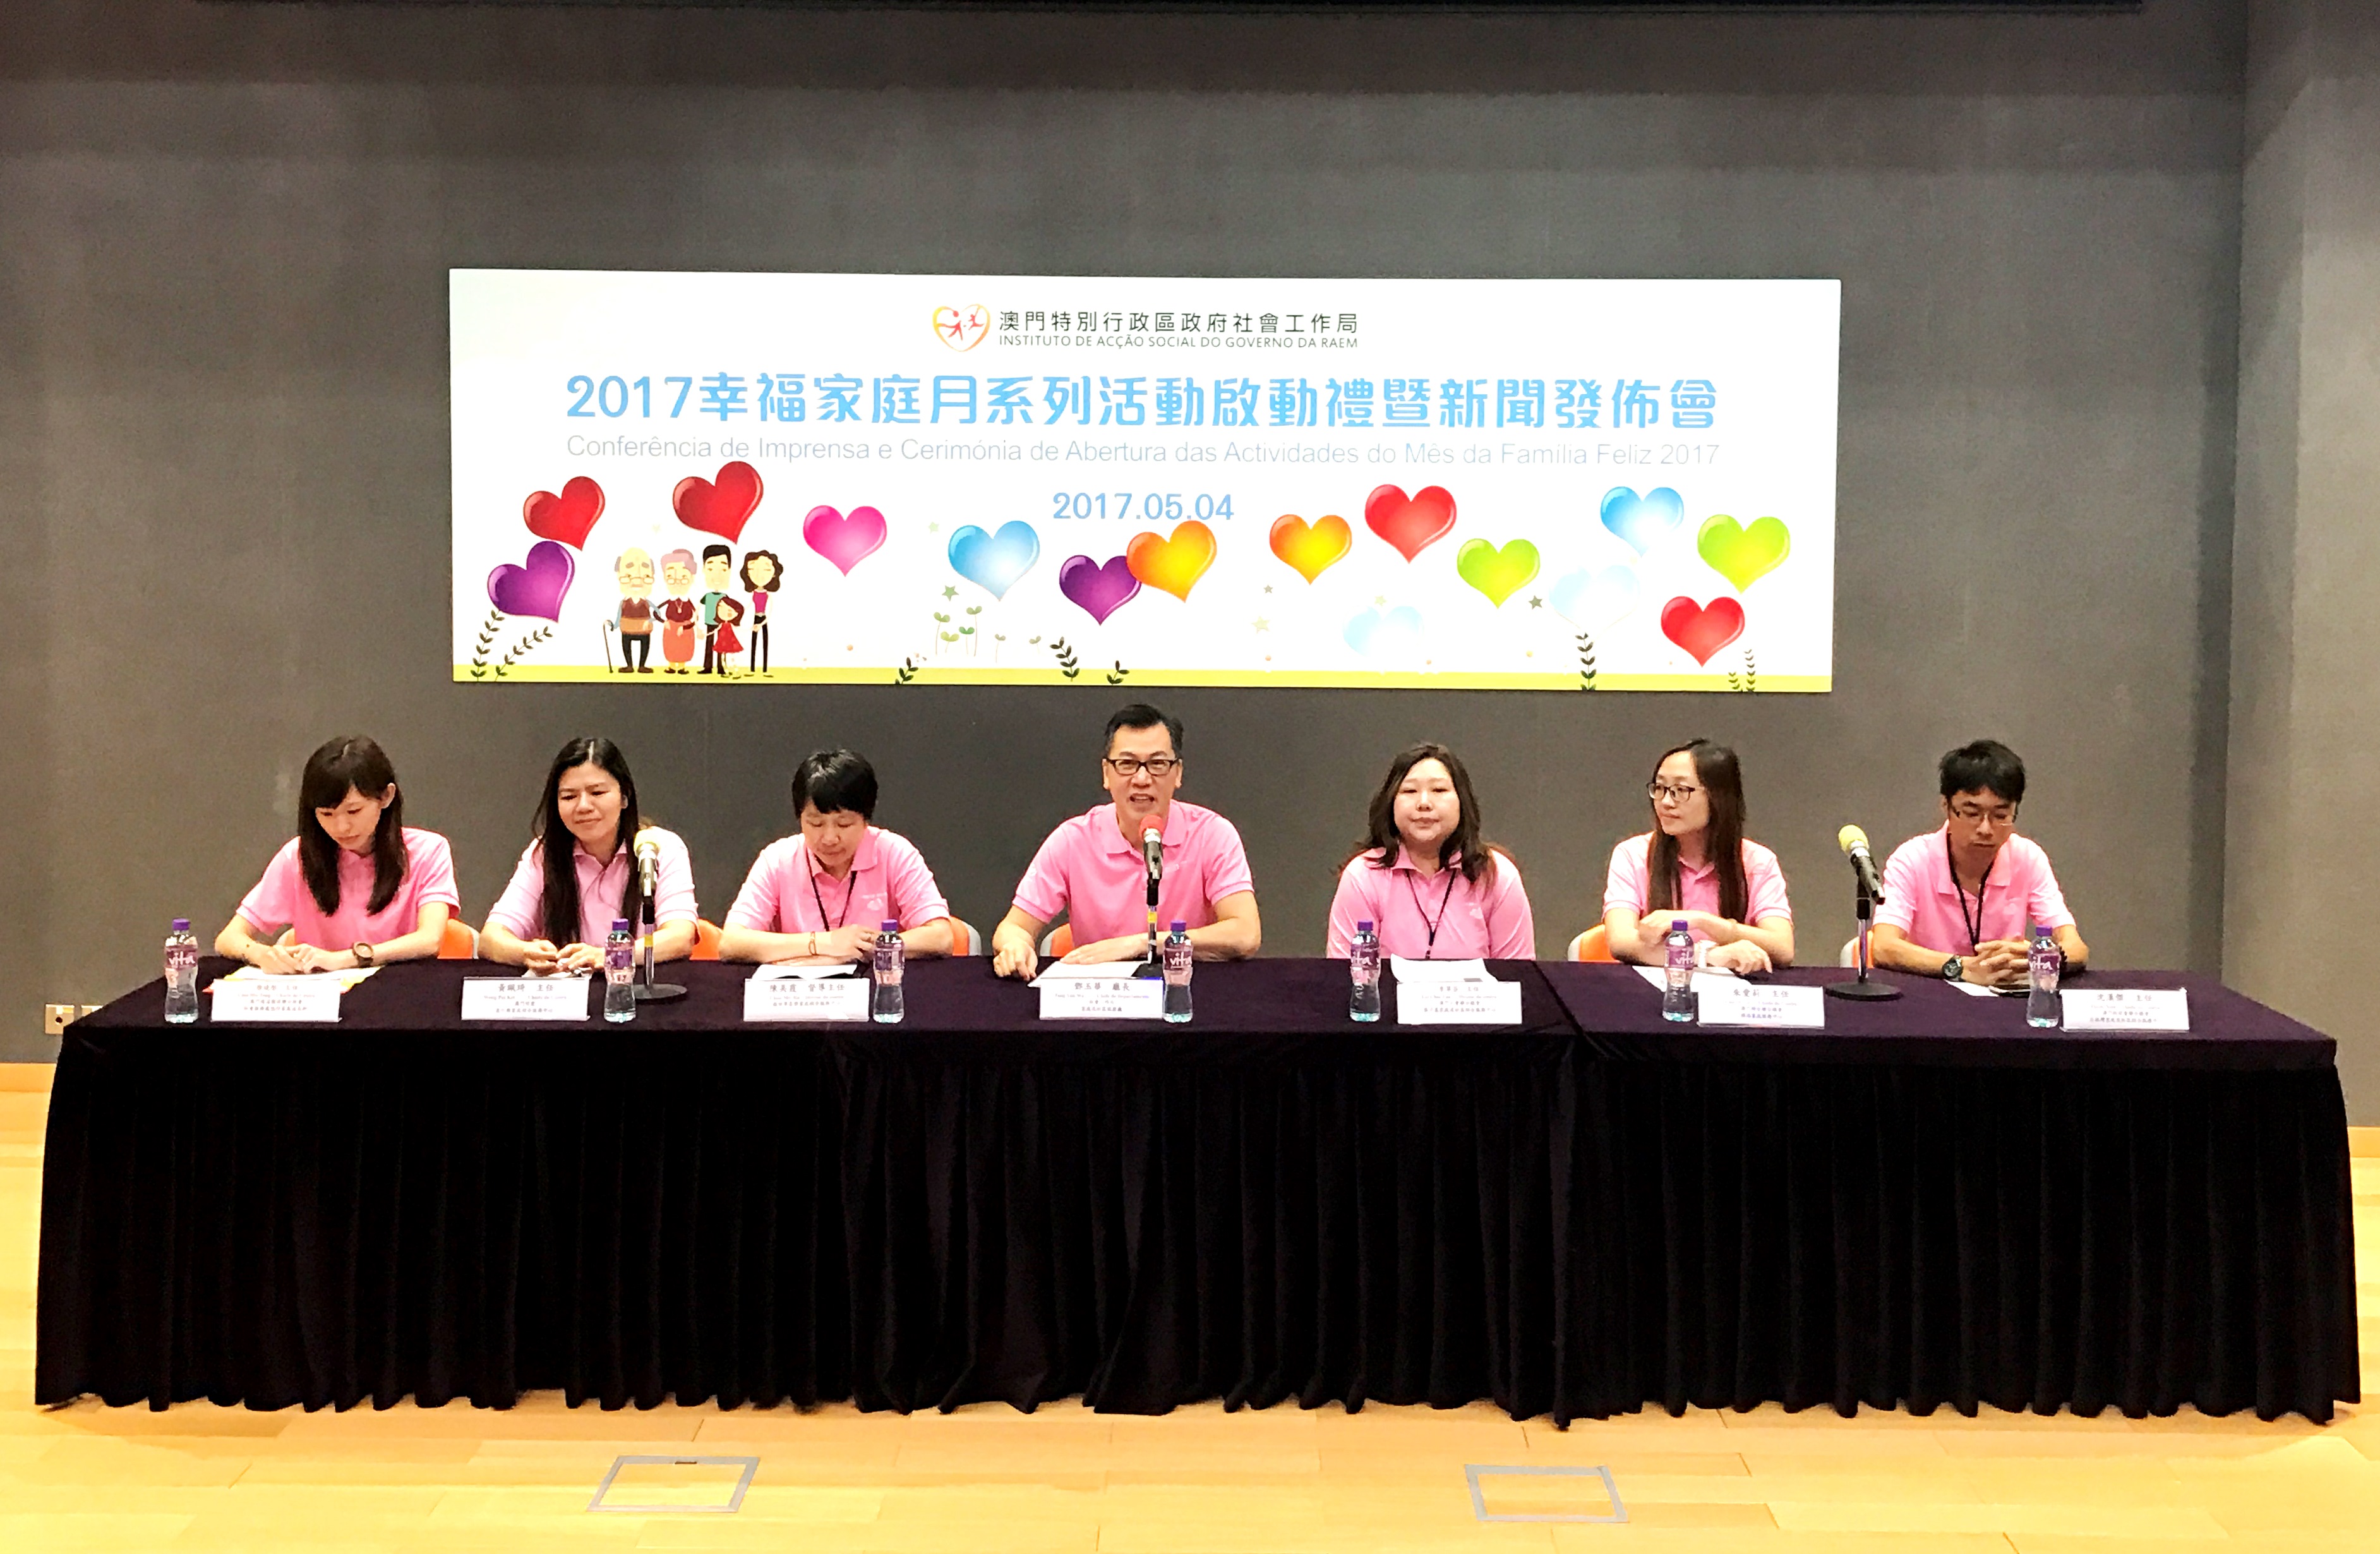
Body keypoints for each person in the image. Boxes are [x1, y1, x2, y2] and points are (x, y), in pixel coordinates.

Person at [991, 704, 1260, 978]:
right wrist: (1016, 946)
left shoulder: (1212, 834)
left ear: (1178, 773)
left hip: (1188, 989)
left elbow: (1245, 934)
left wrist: (1142, 944)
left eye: (1157, 764)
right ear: (1106, 774)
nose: (1142, 779)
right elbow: (1013, 927)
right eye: (1127, 764)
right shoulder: (1072, 840)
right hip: (1103, 996)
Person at [215, 736, 460, 971]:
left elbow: (430, 940)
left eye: (354, 811)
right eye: (327, 814)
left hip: (399, 987)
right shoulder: (297, 857)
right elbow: (229, 938)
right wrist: (262, 954)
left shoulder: (428, 851)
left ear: (386, 796)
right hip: (324, 994)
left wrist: (345, 959)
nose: (341, 827)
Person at [1870, 740, 2089, 988]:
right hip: (1927, 994)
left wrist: (2043, 958)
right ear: (1946, 807)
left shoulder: (2027, 857)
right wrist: (1962, 967)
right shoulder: (1911, 859)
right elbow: (1884, 947)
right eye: (1972, 813)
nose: (1986, 829)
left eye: (2001, 815)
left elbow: (2076, 947)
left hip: (2003, 998)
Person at [481, 737, 697, 973]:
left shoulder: (659, 847)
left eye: (597, 792)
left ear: (625, 796)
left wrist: (610, 955)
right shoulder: (544, 853)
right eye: (569, 797)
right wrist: (525, 953)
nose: (583, 806)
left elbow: (680, 937)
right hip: (569, 990)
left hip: (635, 989)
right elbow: (491, 939)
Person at [719, 749, 955, 963]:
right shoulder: (778, 860)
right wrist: (825, 943)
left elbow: (941, 937)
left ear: (866, 819)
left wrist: (864, 945)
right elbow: (732, 942)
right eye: (816, 823)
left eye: (844, 824)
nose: (829, 838)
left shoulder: (895, 853)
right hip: (804, 990)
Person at [1325, 742, 1534, 960]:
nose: (1424, 803)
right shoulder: (1363, 876)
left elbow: (1519, 976)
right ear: (1391, 802)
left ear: (1462, 801)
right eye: (1410, 791)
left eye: (1439, 790)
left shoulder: (1497, 876)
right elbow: (1345, 976)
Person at [1603, 738, 1794, 973]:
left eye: (1681, 790)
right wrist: (1707, 956)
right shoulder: (1633, 854)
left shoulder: (1757, 861)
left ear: (1718, 797)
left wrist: (1705, 922)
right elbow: (1621, 941)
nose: (1666, 802)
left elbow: (1783, 948)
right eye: (1660, 788)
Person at [613, 548, 655, 674]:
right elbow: (619, 616)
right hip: (627, 627)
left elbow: (657, 613)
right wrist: (614, 625)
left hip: (644, 628)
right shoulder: (624, 602)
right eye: (628, 577)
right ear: (619, 575)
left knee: (645, 646)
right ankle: (629, 665)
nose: (637, 581)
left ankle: (642, 666)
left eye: (645, 577)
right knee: (626, 645)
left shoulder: (646, 602)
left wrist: (650, 620)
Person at [658, 549, 699, 674]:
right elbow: (656, 611)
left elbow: (696, 618)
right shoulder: (670, 601)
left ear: (692, 578)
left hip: (685, 628)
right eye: (671, 578)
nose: (677, 583)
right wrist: (664, 621)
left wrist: (686, 627)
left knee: (684, 648)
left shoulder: (688, 602)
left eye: (683, 578)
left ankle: (682, 667)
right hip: (671, 627)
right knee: (671, 647)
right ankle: (671, 666)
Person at [741, 550, 780, 674]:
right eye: (752, 570)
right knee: (754, 642)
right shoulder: (754, 593)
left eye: (766, 570)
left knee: (765, 643)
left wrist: (762, 624)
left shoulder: (768, 595)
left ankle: (764, 668)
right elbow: (749, 605)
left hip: (763, 619)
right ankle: (752, 668)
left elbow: (770, 611)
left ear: (774, 574)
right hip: (754, 618)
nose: (759, 575)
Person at [699, 543, 733, 674]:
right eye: (711, 569)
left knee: (721, 646)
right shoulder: (707, 596)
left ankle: (721, 667)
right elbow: (698, 609)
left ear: (729, 570)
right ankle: (708, 667)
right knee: (709, 645)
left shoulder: (724, 597)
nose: (717, 575)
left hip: (722, 624)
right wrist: (697, 626)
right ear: (704, 569)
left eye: (723, 569)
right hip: (709, 623)